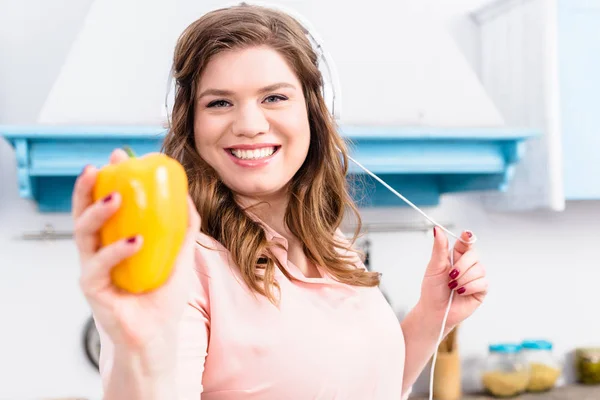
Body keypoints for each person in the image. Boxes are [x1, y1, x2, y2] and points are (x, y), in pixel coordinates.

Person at [72, 4, 488, 399]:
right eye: (219, 102)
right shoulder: (185, 265)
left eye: (274, 97)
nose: (250, 125)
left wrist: (434, 314)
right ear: (191, 124)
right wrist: (138, 354)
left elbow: (364, 385)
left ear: (314, 111)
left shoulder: (333, 248)